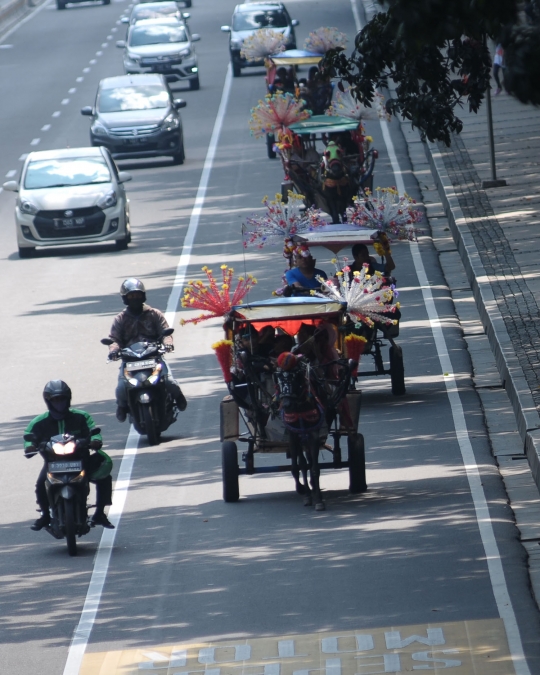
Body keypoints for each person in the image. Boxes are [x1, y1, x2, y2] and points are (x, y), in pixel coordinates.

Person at [24, 380, 114, 530]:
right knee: (40, 484)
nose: (59, 403)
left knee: (104, 477)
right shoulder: (39, 422)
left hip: (81, 460)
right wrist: (30, 447)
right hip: (53, 462)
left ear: (68, 399)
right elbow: (28, 436)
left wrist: (95, 441)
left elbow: (94, 431)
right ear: (48, 401)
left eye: (62, 399)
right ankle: (45, 515)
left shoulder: (81, 417)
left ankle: (100, 513)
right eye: (55, 400)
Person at [108, 278, 187, 422]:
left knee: (170, 382)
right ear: (125, 298)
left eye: (137, 295)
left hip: (153, 357)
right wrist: (113, 350)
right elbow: (114, 339)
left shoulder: (154, 313)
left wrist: (167, 343)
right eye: (131, 296)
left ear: (143, 295)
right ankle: (122, 407)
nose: (135, 299)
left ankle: (178, 397)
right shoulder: (120, 319)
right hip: (130, 359)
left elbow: (165, 332)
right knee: (120, 388)